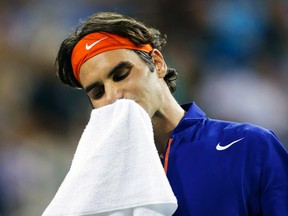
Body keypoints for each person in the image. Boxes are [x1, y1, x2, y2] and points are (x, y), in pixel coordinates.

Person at [55, 11, 288, 216]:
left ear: (157, 63)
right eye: (98, 92)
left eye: (122, 74)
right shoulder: (98, 185)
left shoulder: (250, 146)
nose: (114, 95)